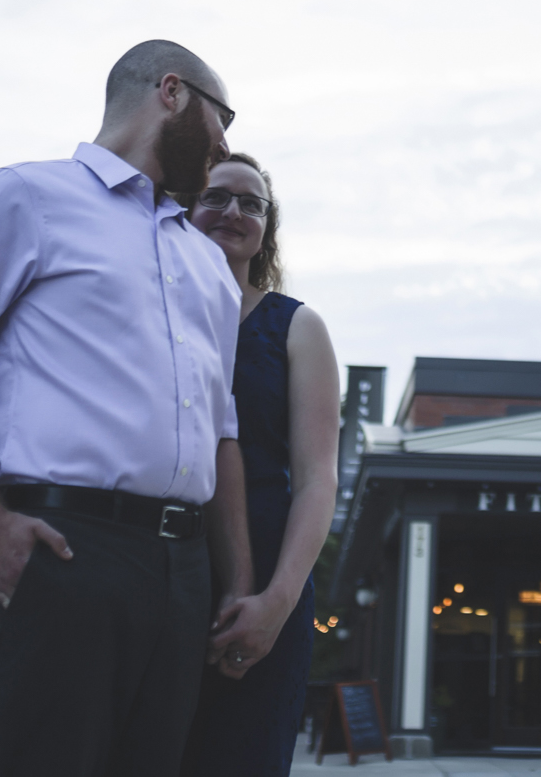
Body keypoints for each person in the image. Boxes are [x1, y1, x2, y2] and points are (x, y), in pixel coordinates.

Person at [0, 40, 261, 777]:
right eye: (224, 117)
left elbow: (223, 433)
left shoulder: (207, 265)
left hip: (183, 576)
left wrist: (236, 583)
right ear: (173, 92)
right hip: (63, 553)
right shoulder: (25, 196)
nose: (224, 146)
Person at [179, 153, 340, 777]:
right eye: (217, 196)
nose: (234, 213)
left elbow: (318, 478)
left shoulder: (297, 327)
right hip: (161, 563)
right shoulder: (155, 316)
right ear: (185, 209)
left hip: (272, 566)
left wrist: (277, 600)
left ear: (266, 228)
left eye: (253, 204)